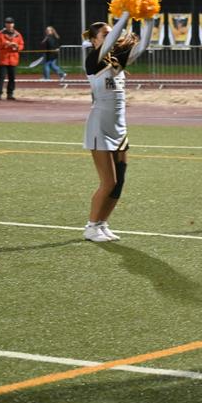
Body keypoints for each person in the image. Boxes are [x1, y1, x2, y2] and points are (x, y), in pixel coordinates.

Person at [81, 13, 152, 242]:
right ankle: (91, 226)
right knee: (108, 181)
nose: (112, 36)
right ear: (94, 40)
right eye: (105, 33)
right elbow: (111, 42)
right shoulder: (93, 59)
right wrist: (125, 14)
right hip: (100, 124)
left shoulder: (116, 61)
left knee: (119, 181)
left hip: (119, 126)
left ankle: (102, 223)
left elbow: (142, 48)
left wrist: (149, 18)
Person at [0, 17, 24, 100]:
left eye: (11, 23)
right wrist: (5, 44)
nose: (9, 24)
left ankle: (10, 94)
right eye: (7, 23)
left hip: (13, 59)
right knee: (1, 77)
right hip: (3, 59)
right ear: (5, 24)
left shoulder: (17, 34)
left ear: (13, 24)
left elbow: (21, 45)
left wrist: (17, 46)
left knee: (12, 78)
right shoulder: (0, 34)